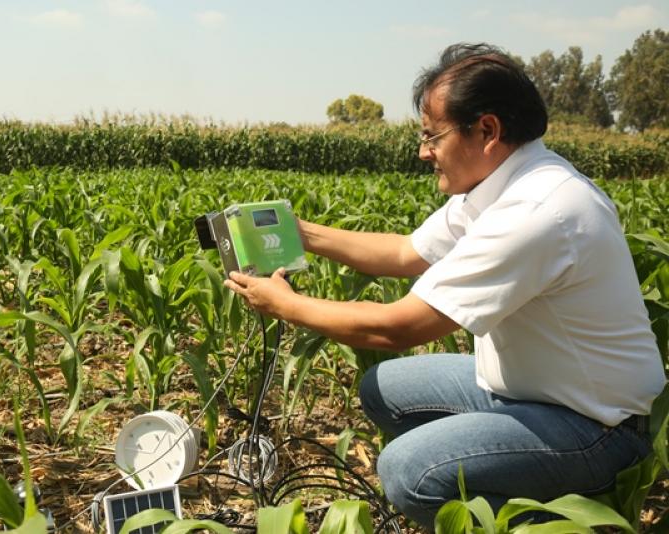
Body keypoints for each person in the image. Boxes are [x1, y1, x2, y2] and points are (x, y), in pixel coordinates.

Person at [224, 42, 665, 528]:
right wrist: (298, 233)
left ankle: (573, 519)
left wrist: (286, 304)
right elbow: (402, 253)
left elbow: (397, 328)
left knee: (408, 470)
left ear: (488, 130)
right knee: (383, 387)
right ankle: (502, 477)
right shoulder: (499, 182)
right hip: (535, 392)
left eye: (433, 136)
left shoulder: (538, 210)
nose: (423, 152)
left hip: (602, 428)